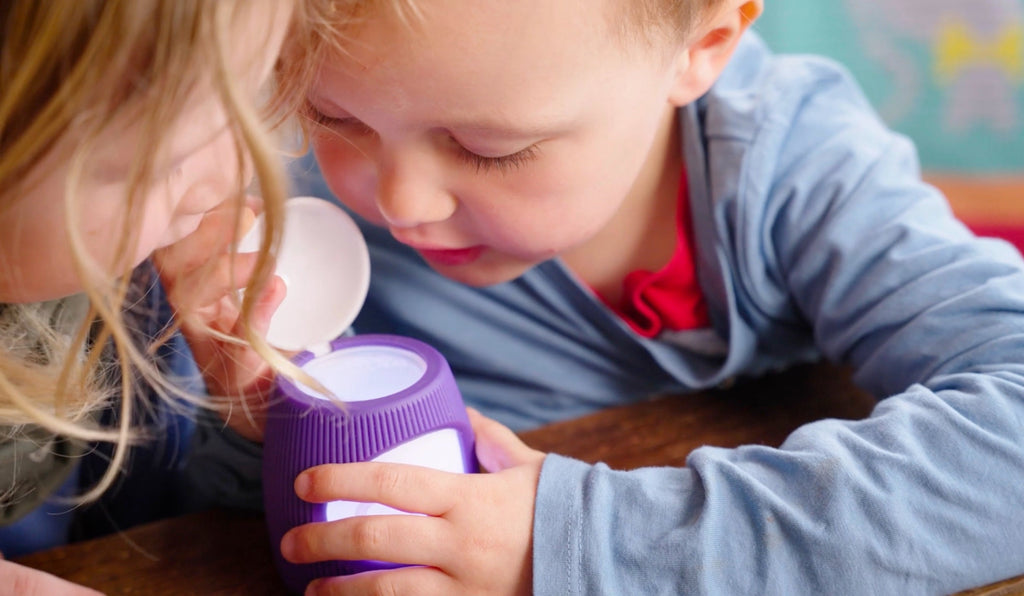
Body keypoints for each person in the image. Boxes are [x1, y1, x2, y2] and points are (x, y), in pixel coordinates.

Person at [268, 0, 1024, 594]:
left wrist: (589, 543)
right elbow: (204, 516)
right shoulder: (302, 224)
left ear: (702, 49)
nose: (404, 204)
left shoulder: (798, 166)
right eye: (336, 117)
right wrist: (239, 408)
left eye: (486, 147)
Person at [0, 0, 312, 591]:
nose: (227, 180)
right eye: (161, 161)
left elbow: (158, 514)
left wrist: (263, 428)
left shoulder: (135, 274)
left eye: (248, 102)